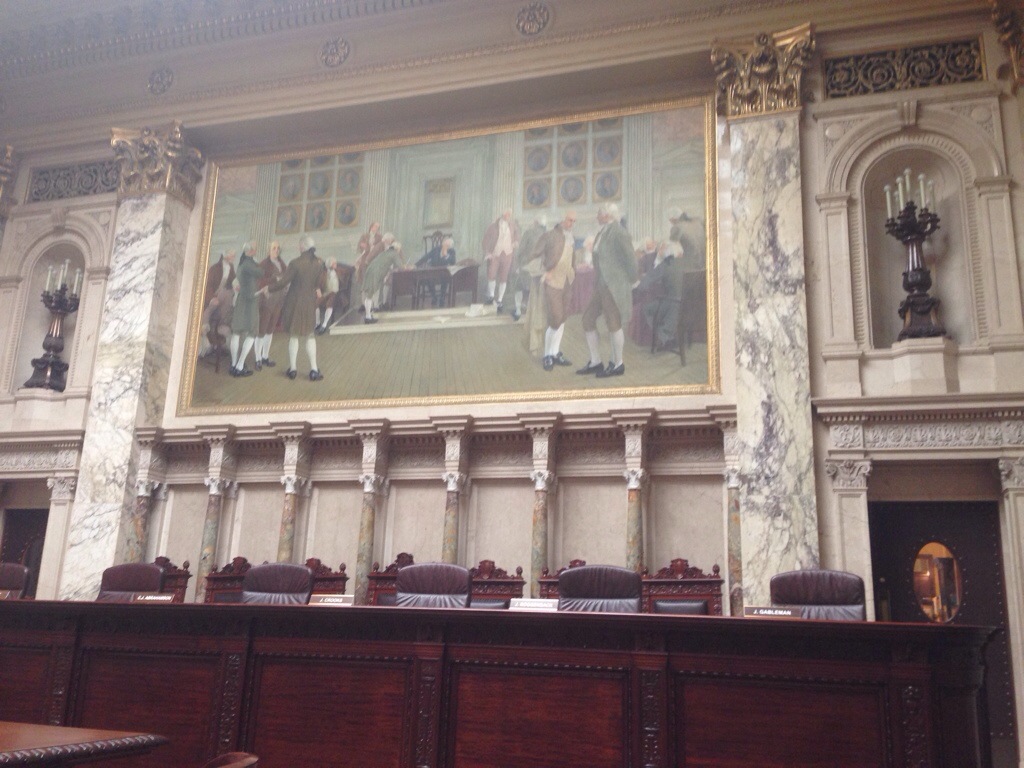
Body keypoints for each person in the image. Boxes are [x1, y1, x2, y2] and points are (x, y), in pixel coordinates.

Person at [577, 203, 637, 378]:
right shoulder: (602, 232)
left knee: (613, 323)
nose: (597, 216)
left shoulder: (619, 232)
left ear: (607, 215)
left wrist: (632, 281)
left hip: (614, 285)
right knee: (588, 319)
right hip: (601, 285)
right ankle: (596, 362)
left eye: (599, 213)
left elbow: (631, 260)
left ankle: (617, 364)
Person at [257, 234, 325, 381]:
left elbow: (283, 283)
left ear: (302, 247)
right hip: (309, 304)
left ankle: (293, 369)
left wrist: (269, 288)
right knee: (310, 336)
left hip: (294, 304)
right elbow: (318, 284)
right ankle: (314, 370)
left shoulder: (295, 263)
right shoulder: (319, 263)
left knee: (294, 336)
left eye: (299, 245)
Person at [533, 211, 576, 371]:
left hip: (567, 281)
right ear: (561, 220)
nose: (572, 224)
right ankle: (547, 355)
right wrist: (545, 271)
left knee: (562, 318)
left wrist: (573, 272)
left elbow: (571, 258)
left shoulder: (570, 236)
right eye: (569, 220)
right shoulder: (550, 235)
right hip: (553, 282)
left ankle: (555, 352)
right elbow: (536, 253)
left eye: (574, 221)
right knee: (555, 318)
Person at [639, 241, 685, 351]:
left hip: (673, 305)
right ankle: (668, 335)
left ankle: (664, 336)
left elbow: (643, 285)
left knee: (646, 309)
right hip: (690, 308)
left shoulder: (666, 264)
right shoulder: (689, 263)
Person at [228, 242, 263, 377]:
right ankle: (240, 366)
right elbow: (261, 273)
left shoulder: (242, 263)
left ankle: (233, 365)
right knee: (253, 332)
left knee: (236, 332)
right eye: (254, 249)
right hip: (250, 302)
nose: (256, 250)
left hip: (241, 300)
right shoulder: (249, 264)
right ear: (251, 251)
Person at [481, 209, 520, 310]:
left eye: (509, 214)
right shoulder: (493, 226)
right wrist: (487, 252)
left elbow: (517, 236)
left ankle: (500, 300)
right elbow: (485, 240)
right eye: (506, 213)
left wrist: (515, 242)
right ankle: (491, 296)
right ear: (502, 214)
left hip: (507, 254)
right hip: (495, 254)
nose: (508, 215)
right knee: (491, 274)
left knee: (503, 277)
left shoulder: (513, 225)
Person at [361, 234, 405, 323]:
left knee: (369, 294)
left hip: (371, 271)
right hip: (375, 273)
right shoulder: (394, 254)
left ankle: (368, 315)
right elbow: (401, 267)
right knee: (370, 295)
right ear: (397, 249)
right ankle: (368, 317)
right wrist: (407, 267)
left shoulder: (385, 252)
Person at [255, 241, 286, 369]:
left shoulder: (282, 263)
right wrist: (273, 279)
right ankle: (257, 358)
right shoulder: (263, 264)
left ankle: (265, 356)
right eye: (274, 248)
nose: (276, 250)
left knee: (270, 329)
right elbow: (258, 281)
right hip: (267, 301)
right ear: (269, 250)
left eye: (278, 248)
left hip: (278, 300)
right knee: (262, 329)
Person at [510, 215, 546, 321]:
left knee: (518, 287)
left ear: (535, 223)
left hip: (527, 266)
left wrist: (517, 263)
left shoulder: (528, 233)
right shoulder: (547, 235)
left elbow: (521, 250)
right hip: (541, 268)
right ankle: (534, 313)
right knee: (535, 290)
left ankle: (518, 311)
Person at [415, 236, 456, 307]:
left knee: (445, 278)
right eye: (444, 244)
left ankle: (442, 298)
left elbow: (453, 262)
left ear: (450, 247)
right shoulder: (436, 249)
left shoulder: (452, 251)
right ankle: (434, 297)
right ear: (442, 244)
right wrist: (416, 265)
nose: (445, 246)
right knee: (428, 278)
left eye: (447, 245)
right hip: (433, 271)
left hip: (443, 272)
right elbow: (426, 257)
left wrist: (446, 255)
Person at [315, 258, 342, 335]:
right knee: (315, 304)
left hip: (335, 293)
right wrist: (318, 289)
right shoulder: (323, 273)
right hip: (325, 293)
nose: (336, 265)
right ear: (330, 265)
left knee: (329, 304)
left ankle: (324, 324)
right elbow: (317, 283)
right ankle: (317, 323)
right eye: (334, 263)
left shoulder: (338, 271)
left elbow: (348, 270)